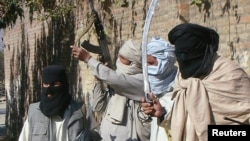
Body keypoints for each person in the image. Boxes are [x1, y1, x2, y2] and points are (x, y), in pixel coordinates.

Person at [141, 23, 250, 141]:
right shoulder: (183, 78)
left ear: (202, 51)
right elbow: (187, 120)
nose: (183, 59)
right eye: (179, 54)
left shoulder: (230, 74)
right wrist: (162, 113)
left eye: (188, 53)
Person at [71, 39, 151, 141]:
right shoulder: (117, 80)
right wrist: (98, 81)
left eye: (122, 58)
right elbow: (97, 106)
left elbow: (116, 79)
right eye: (119, 56)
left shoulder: (141, 81)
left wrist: (88, 59)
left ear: (133, 62)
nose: (118, 59)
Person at [18, 65, 91, 141]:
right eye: (46, 84)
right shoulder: (34, 112)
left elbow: (97, 135)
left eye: (55, 84)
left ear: (64, 85)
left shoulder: (81, 111)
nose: (49, 89)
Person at [146, 36, 177, 141]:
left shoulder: (183, 88)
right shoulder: (150, 92)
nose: (148, 69)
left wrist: (163, 113)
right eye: (145, 65)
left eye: (150, 63)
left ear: (166, 62)